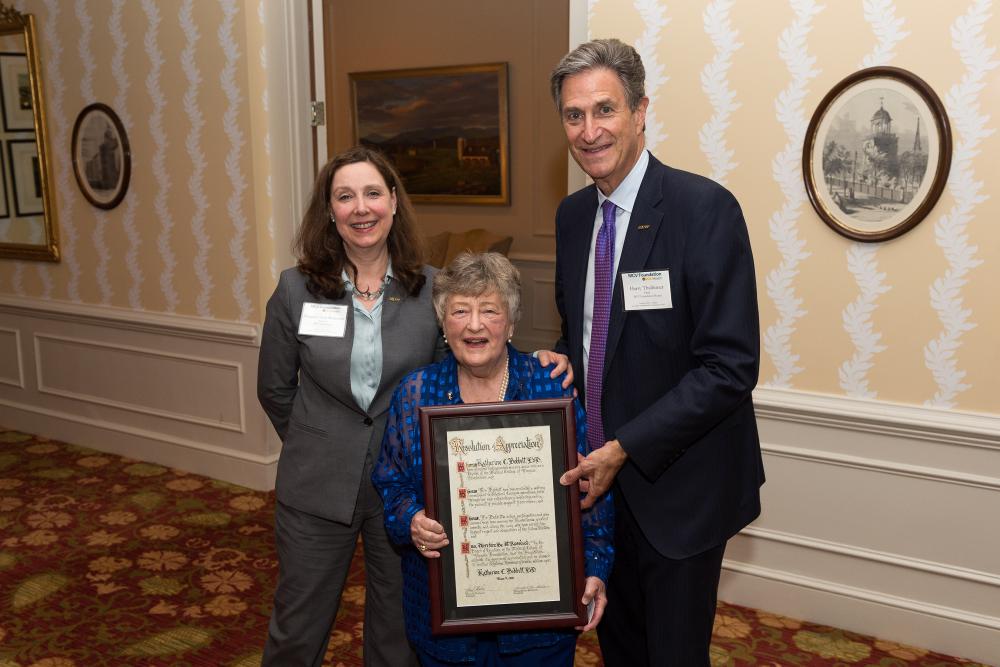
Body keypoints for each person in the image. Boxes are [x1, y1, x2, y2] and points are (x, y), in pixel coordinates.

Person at [257, 147, 572, 667]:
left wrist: (535, 359)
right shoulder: (296, 290)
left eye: (373, 193)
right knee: (297, 628)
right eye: (345, 196)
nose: (361, 207)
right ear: (330, 210)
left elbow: (467, 360)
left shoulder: (430, 288)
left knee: (396, 634)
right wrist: (322, 442)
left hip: (404, 490)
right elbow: (275, 389)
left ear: (394, 202)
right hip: (315, 486)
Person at [550, 39, 765, 666]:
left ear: (641, 111)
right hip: (600, 495)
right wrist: (563, 358)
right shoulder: (570, 218)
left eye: (605, 110)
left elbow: (730, 367)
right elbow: (586, 336)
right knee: (619, 649)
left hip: (679, 491)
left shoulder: (703, 210)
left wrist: (625, 448)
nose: (589, 132)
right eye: (573, 115)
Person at [372, 252, 613, 666]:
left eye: (489, 310)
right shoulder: (416, 393)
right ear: (443, 324)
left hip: (539, 622)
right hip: (443, 615)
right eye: (459, 311)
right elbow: (390, 482)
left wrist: (595, 567)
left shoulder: (549, 386)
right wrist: (411, 519)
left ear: (512, 322)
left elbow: (590, 490)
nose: (475, 324)